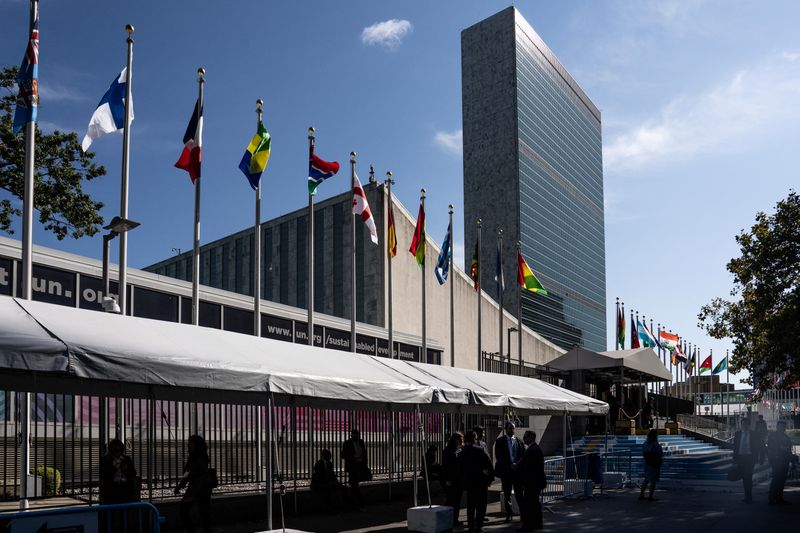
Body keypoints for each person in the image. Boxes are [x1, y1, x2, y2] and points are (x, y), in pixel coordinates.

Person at [175, 435, 214, 533]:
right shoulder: (192, 457)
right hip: (199, 489)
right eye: (189, 442)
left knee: (195, 512)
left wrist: (190, 494)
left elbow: (197, 477)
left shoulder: (200, 458)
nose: (188, 444)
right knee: (203, 513)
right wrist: (180, 486)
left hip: (201, 489)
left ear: (197, 445)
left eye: (191, 442)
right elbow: (187, 474)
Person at [460, 431, 494, 533]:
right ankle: (479, 526)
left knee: (470, 506)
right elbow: (489, 465)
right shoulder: (480, 450)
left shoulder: (462, 452)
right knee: (481, 506)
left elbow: (460, 469)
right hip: (480, 483)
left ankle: (471, 526)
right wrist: (489, 479)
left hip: (469, 483)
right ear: (474, 439)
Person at [494, 420, 524, 523]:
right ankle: (509, 514)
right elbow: (499, 456)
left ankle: (523, 514)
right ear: (506, 429)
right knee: (507, 495)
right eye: (510, 428)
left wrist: (517, 464)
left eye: (513, 428)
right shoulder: (500, 441)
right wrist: (509, 465)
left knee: (519, 494)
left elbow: (523, 456)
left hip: (517, 473)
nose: (512, 430)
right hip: (506, 472)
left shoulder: (519, 441)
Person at [518, 430, 546, 532]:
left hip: (531, 483)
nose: (524, 438)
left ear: (531, 437)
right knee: (535, 504)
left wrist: (524, 482)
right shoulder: (535, 449)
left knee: (529, 504)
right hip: (535, 482)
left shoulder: (532, 450)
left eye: (526, 437)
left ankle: (528, 525)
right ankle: (537, 523)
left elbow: (528, 469)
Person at [99, 439, 137, 504]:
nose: (118, 453)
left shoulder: (126, 459)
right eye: (116, 450)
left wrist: (126, 469)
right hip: (111, 489)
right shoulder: (105, 460)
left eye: (120, 450)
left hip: (125, 488)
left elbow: (133, 473)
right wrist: (115, 469)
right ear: (112, 450)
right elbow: (102, 475)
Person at [733, 418, 762, 503]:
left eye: (746, 424)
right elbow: (735, 448)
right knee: (745, 478)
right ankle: (747, 495)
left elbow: (760, 446)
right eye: (743, 424)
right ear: (741, 425)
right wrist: (734, 460)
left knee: (748, 477)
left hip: (750, 458)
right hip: (740, 458)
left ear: (749, 425)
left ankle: (748, 496)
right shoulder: (737, 434)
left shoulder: (754, 434)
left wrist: (760, 457)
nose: (745, 426)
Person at [766, 421, 793, 505]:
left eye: (783, 427)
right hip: (776, 461)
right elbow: (770, 448)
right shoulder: (772, 436)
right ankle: (771, 498)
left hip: (785, 461)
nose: (782, 428)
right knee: (776, 480)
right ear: (777, 427)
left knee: (782, 480)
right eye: (780, 426)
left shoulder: (786, 437)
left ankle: (779, 498)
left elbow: (789, 449)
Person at [341, 429, 369, 508]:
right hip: (352, 466)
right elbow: (344, 454)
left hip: (359, 466)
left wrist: (364, 464)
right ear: (351, 435)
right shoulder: (347, 443)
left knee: (354, 484)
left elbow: (364, 454)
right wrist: (352, 458)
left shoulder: (360, 442)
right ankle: (360, 502)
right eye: (354, 435)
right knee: (354, 484)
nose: (355, 436)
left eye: (356, 435)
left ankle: (355, 503)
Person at [442, 432, 464, 529]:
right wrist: (447, 479)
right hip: (451, 479)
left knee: (457, 501)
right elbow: (446, 466)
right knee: (451, 500)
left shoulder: (460, 449)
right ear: (455, 439)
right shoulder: (448, 450)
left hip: (458, 479)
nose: (461, 441)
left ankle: (455, 519)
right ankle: (448, 519)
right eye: (459, 439)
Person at [639, 429, 663, 501]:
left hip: (647, 462)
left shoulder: (645, 443)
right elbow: (660, 452)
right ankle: (650, 496)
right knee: (653, 481)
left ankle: (641, 494)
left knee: (646, 479)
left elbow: (643, 453)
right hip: (654, 463)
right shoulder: (655, 443)